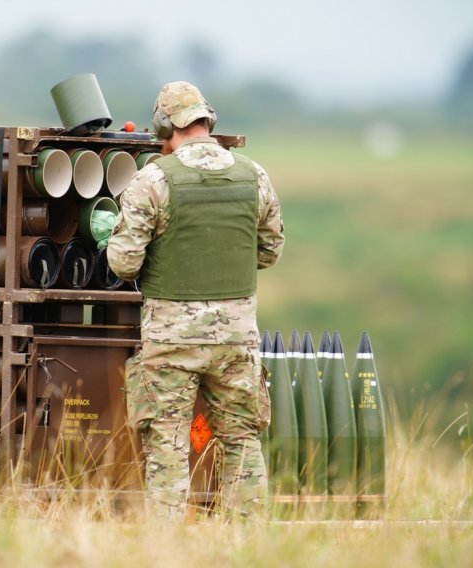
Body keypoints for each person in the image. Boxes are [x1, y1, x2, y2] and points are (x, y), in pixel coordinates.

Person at [107, 81, 285, 520]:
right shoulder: (254, 175)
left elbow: (124, 263)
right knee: (242, 440)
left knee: (167, 444)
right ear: (208, 122)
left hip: (170, 342)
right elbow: (269, 251)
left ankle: (165, 550)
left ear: (164, 126)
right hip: (235, 340)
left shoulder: (152, 179)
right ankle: (248, 545)